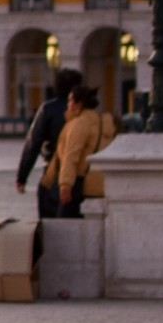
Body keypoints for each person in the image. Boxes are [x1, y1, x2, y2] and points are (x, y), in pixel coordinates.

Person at [43, 83, 114, 218]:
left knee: (65, 229)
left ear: (78, 104)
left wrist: (65, 185)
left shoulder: (79, 123)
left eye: (70, 100)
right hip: (100, 186)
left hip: (79, 186)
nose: (68, 104)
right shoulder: (103, 123)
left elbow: (71, 156)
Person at [16, 69, 81, 216]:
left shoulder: (48, 109)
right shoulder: (86, 112)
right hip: (80, 176)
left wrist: (22, 177)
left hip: (53, 172)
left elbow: (33, 144)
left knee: (49, 225)